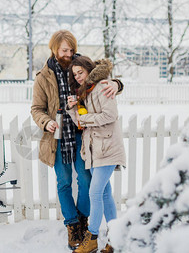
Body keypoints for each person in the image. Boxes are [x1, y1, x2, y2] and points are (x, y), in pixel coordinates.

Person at [31, 30, 123, 250]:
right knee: (64, 182)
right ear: (54, 48)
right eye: (64, 50)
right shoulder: (42, 77)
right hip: (58, 136)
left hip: (84, 135)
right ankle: (72, 225)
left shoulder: (81, 67)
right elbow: (36, 109)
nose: (69, 54)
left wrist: (118, 84)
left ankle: (84, 220)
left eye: (71, 49)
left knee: (86, 180)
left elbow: (102, 78)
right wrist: (46, 122)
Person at [66, 56, 126, 253]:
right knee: (106, 194)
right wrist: (74, 109)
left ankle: (91, 237)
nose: (78, 77)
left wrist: (85, 117)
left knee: (95, 192)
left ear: (88, 69)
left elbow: (110, 115)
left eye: (80, 72)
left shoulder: (101, 86)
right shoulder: (85, 92)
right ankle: (115, 239)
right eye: (75, 74)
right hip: (95, 150)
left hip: (108, 147)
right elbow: (81, 123)